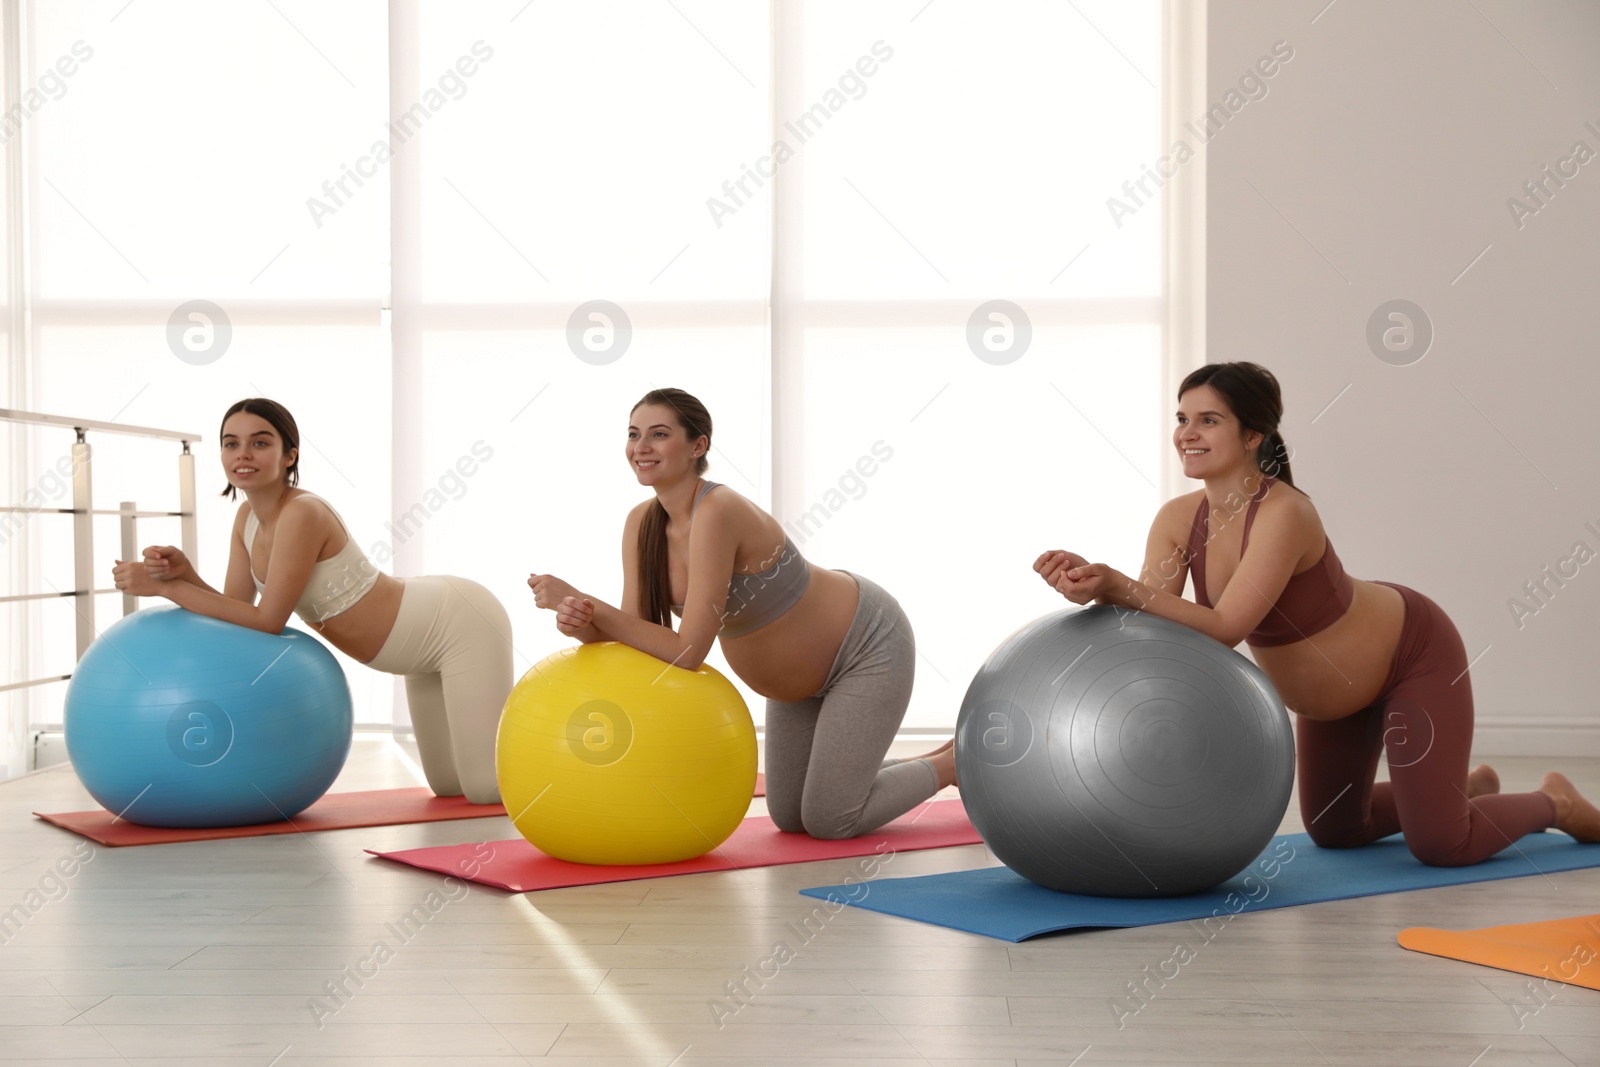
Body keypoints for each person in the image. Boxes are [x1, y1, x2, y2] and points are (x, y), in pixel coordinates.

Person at [1034, 361, 1600, 864]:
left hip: (1411, 656)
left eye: (1208, 420)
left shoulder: (1285, 513)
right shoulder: (1178, 519)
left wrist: (1117, 585)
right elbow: (1160, 625)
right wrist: (1095, 587)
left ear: (1253, 434)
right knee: (1335, 831)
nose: (1187, 433)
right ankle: (1459, 790)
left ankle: (1554, 801)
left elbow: (1227, 628)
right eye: (1182, 419)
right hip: (1332, 702)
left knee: (1443, 847)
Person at [527, 387, 953, 839]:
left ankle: (951, 764)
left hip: (864, 646)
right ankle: (865, 773)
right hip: (795, 686)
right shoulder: (641, 523)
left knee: (830, 820)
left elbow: (688, 652)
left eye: (659, 434)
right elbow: (640, 637)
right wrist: (582, 621)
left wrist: (589, 601)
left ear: (698, 446)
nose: (641, 447)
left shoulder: (718, 511)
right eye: (634, 434)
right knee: (790, 816)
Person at [111, 398, 512, 805]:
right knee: (448, 787)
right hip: (415, 650)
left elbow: (267, 620)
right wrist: (186, 576)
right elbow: (235, 613)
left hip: (457, 623)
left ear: (290, 456)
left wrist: (167, 589)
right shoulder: (245, 520)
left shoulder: (303, 513)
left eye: (261, 443)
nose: (243, 454)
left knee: (485, 789)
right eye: (231, 444)